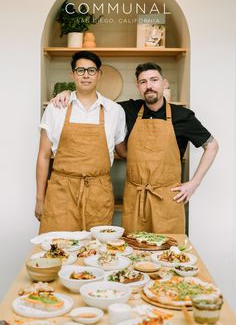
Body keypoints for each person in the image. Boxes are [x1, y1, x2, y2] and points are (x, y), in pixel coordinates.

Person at [52, 62, 218, 234]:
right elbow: (95, 101)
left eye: (154, 80)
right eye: (143, 82)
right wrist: (68, 94)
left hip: (167, 198)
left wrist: (194, 183)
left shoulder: (182, 116)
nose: (149, 86)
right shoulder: (127, 110)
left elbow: (212, 146)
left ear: (164, 83)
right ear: (138, 86)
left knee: (169, 251)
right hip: (135, 196)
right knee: (134, 253)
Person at [35, 50, 126, 233]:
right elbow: (44, 156)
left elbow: (122, 151)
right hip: (61, 193)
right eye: (80, 70)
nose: (86, 75)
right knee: (57, 251)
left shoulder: (115, 110)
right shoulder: (56, 108)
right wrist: (39, 198)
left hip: (98, 195)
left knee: (96, 254)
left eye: (91, 70)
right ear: (73, 74)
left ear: (99, 74)